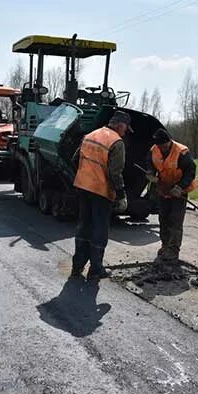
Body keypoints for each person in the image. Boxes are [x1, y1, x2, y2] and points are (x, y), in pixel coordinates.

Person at [70, 111, 132, 280]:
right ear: (120, 125)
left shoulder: (90, 136)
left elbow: (75, 160)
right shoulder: (116, 142)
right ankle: (96, 269)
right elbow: (115, 173)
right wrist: (121, 195)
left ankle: (77, 267)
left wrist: (85, 176)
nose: (126, 132)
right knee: (99, 228)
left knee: (84, 225)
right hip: (101, 192)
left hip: (83, 187)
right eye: (126, 128)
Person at [146, 128, 196, 264]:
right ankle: (165, 245)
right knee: (163, 218)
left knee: (175, 221)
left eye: (165, 145)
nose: (162, 148)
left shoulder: (181, 152)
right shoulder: (154, 150)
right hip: (163, 189)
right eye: (160, 146)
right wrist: (150, 174)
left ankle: (173, 251)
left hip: (179, 190)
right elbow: (150, 164)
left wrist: (180, 187)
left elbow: (190, 172)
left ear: (169, 141)